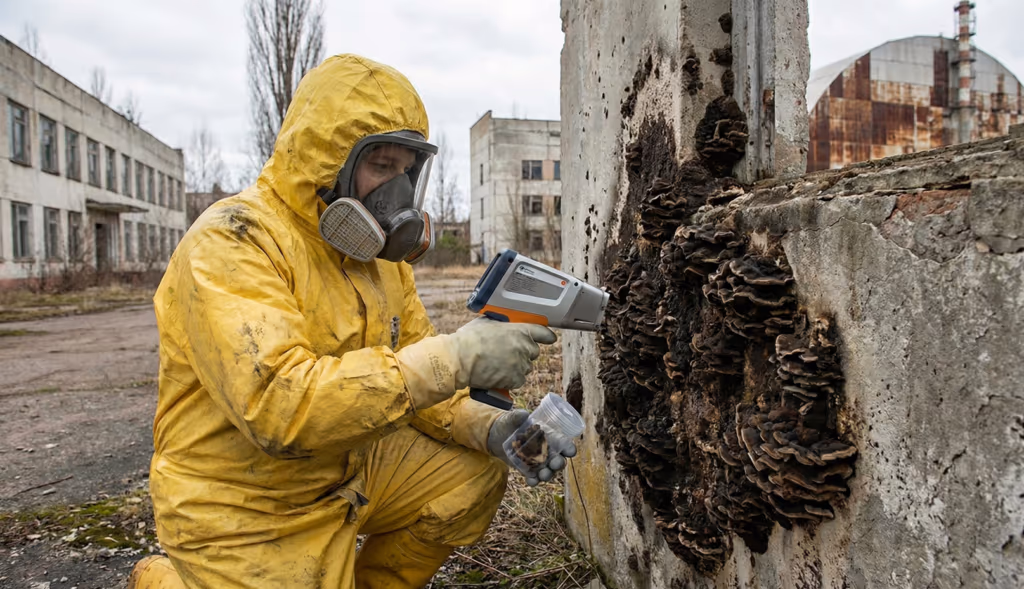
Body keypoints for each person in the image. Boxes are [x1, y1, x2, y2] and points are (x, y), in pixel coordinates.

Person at [127, 54, 575, 589]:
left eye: (406, 172)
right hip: (244, 499)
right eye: (381, 167)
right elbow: (279, 408)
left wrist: (489, 427)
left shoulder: (380, 260)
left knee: (470, 473)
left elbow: (418, 381)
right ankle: (164, 579)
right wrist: (456, 357)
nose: (397, 193)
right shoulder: (233, 240)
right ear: (325, 164)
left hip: (348, 465)